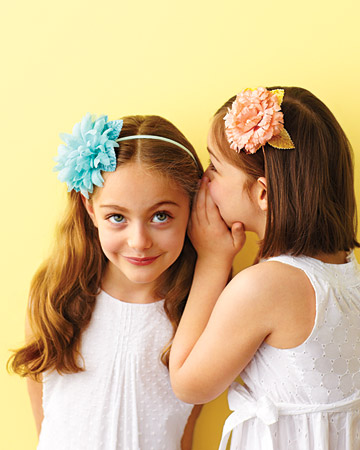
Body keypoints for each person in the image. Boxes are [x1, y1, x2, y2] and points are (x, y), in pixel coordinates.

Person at [169, 87, 360, 449]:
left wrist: (212, 260)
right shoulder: (346, 271)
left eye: (213, 168)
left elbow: (188, 384)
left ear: (263, 194)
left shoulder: (266, 286)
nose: (203, 181)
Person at [9, 113, 203, 449]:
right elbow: (42, 404)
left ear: (193, 207)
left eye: (161, 216)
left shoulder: (197, 306)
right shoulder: (55, 295)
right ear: (90, 208)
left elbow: (186, 426)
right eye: (117, 217)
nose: (139, 241)